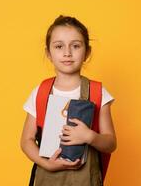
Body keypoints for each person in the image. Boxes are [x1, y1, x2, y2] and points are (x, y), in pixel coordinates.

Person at [20, 15, 117, 186]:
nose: (67, 53)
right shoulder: (41, 92)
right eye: (59, 46)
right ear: (48, 53)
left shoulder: (98, 92)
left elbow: (110, 143)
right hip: (46, 177)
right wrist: (47, 164)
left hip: (85, 179)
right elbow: (26, 141)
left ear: (87, 52)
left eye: (76, 46)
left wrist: (90, 136)